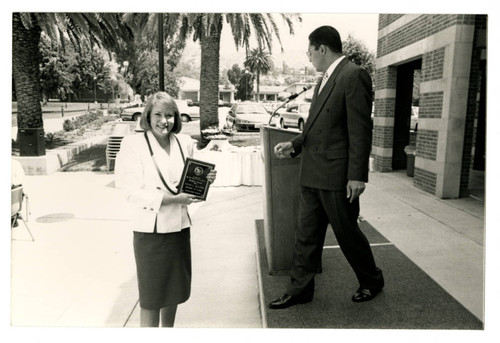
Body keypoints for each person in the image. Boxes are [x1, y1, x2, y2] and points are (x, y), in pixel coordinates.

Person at [269, 26, 384, 310]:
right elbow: (317, 126)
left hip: (336, 177)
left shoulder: (353, 75)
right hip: (311, 174)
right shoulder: (323, 81)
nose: (309, 58)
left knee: (347, 236)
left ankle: (371, 280)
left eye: (310, 52)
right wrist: (295, 144)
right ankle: (300, 290)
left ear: (322, 49)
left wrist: (357, 176)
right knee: (305, 236)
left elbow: (360, 130)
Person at [114, 91, 216, 327]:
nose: (164, 121)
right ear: (148, 117)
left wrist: (205, 179)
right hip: (151, 233)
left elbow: (190, 181)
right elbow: (130, 190)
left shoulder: (183, 142)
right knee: (151, 298)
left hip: (179, 229)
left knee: (174, 293)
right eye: (158, 114)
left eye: (169, 115)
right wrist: (172, 200)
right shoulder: (133, 144)